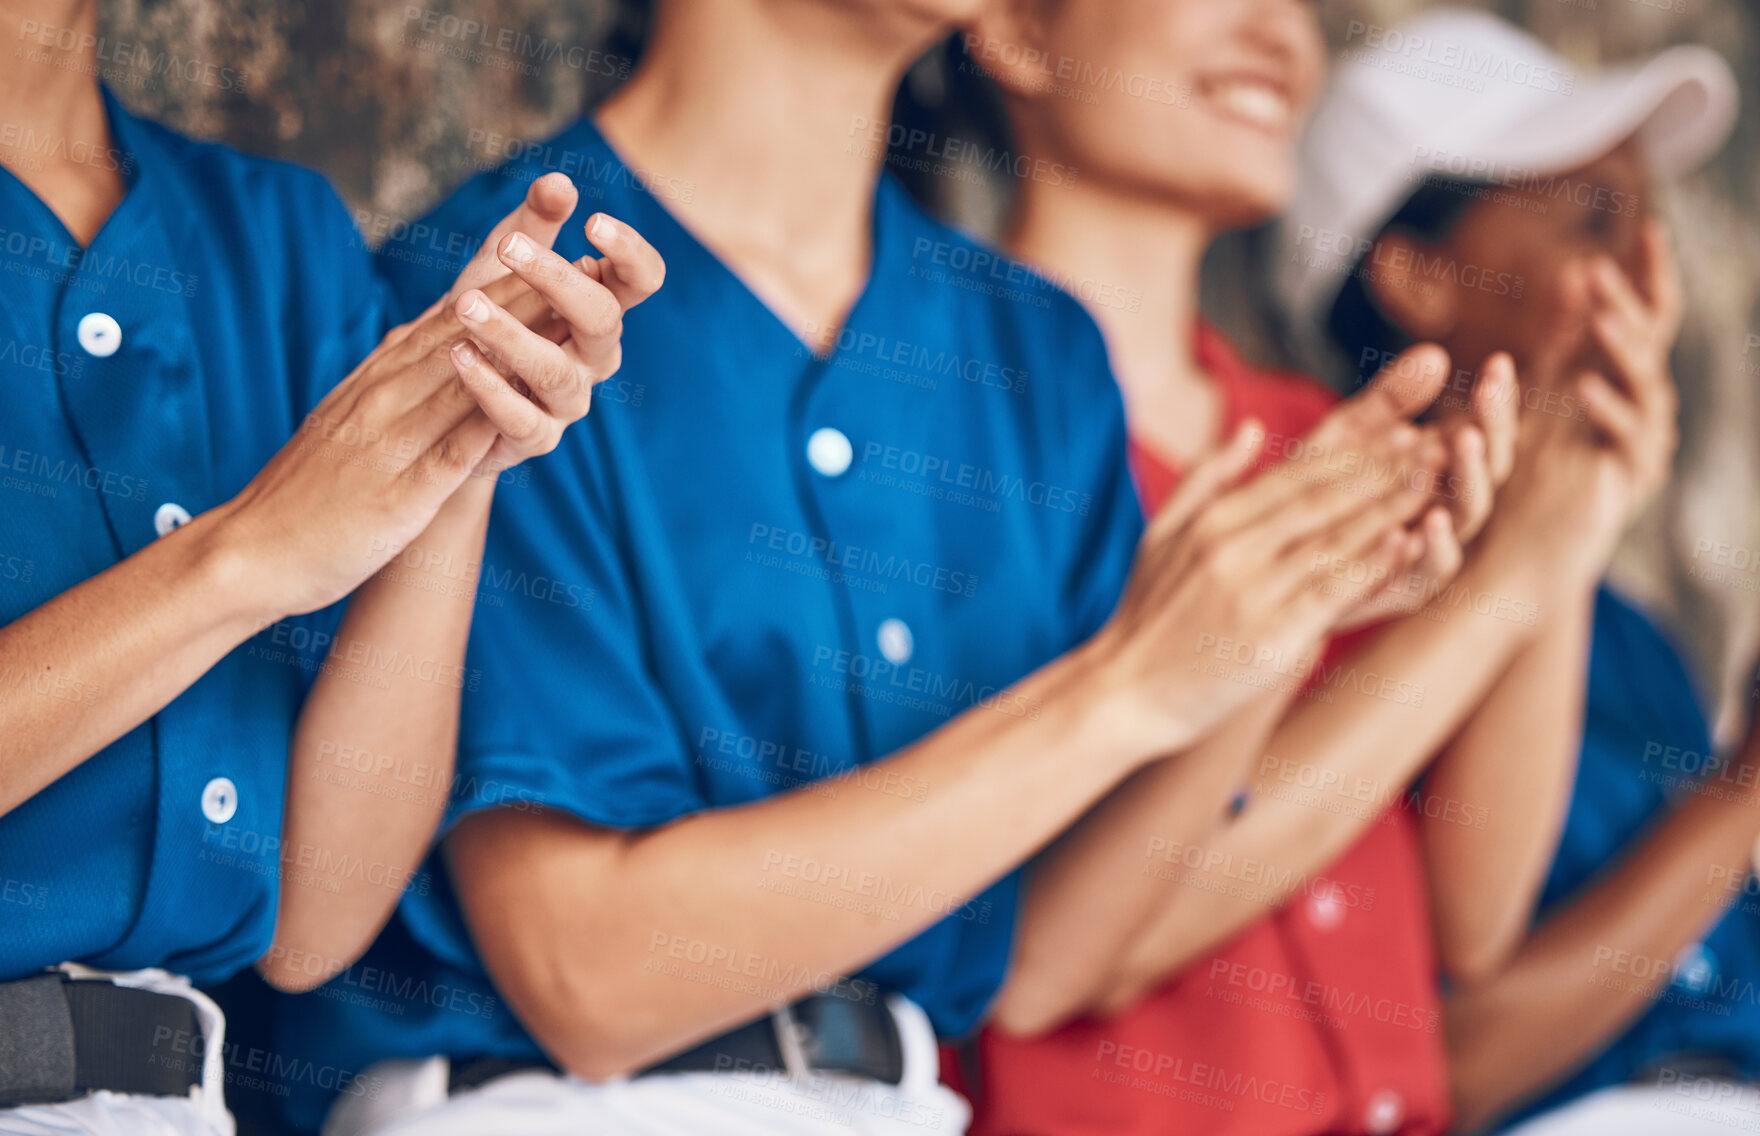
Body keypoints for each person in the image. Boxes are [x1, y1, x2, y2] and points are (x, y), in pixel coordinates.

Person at [268, 1, 1483, 1133]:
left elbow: (1046, 959)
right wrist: (1119, 688)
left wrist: (1261, 623)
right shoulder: (495, 297)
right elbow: (589, 975)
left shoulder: (1036, 350)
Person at [938, 2, 1728, 1135]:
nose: (1280, 35)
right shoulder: (935, 420)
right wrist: (1504, 584)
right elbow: (1070, 944)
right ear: (1011, 33)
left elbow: (1472, 916)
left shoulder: (1338, 435)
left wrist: (1558, 532)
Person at [0, 1, 663, 1131]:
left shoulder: (271, 235)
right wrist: (244, 553)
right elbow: (260, 552)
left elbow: (315, 916)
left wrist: (464, 450)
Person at [1273, 9, 1750, 1134]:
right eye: (1591, 220)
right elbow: (1457, 1058)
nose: (1648, 272)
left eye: (1648, 221)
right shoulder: (1346, 573)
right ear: (1415, 275)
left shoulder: (1625, 629)